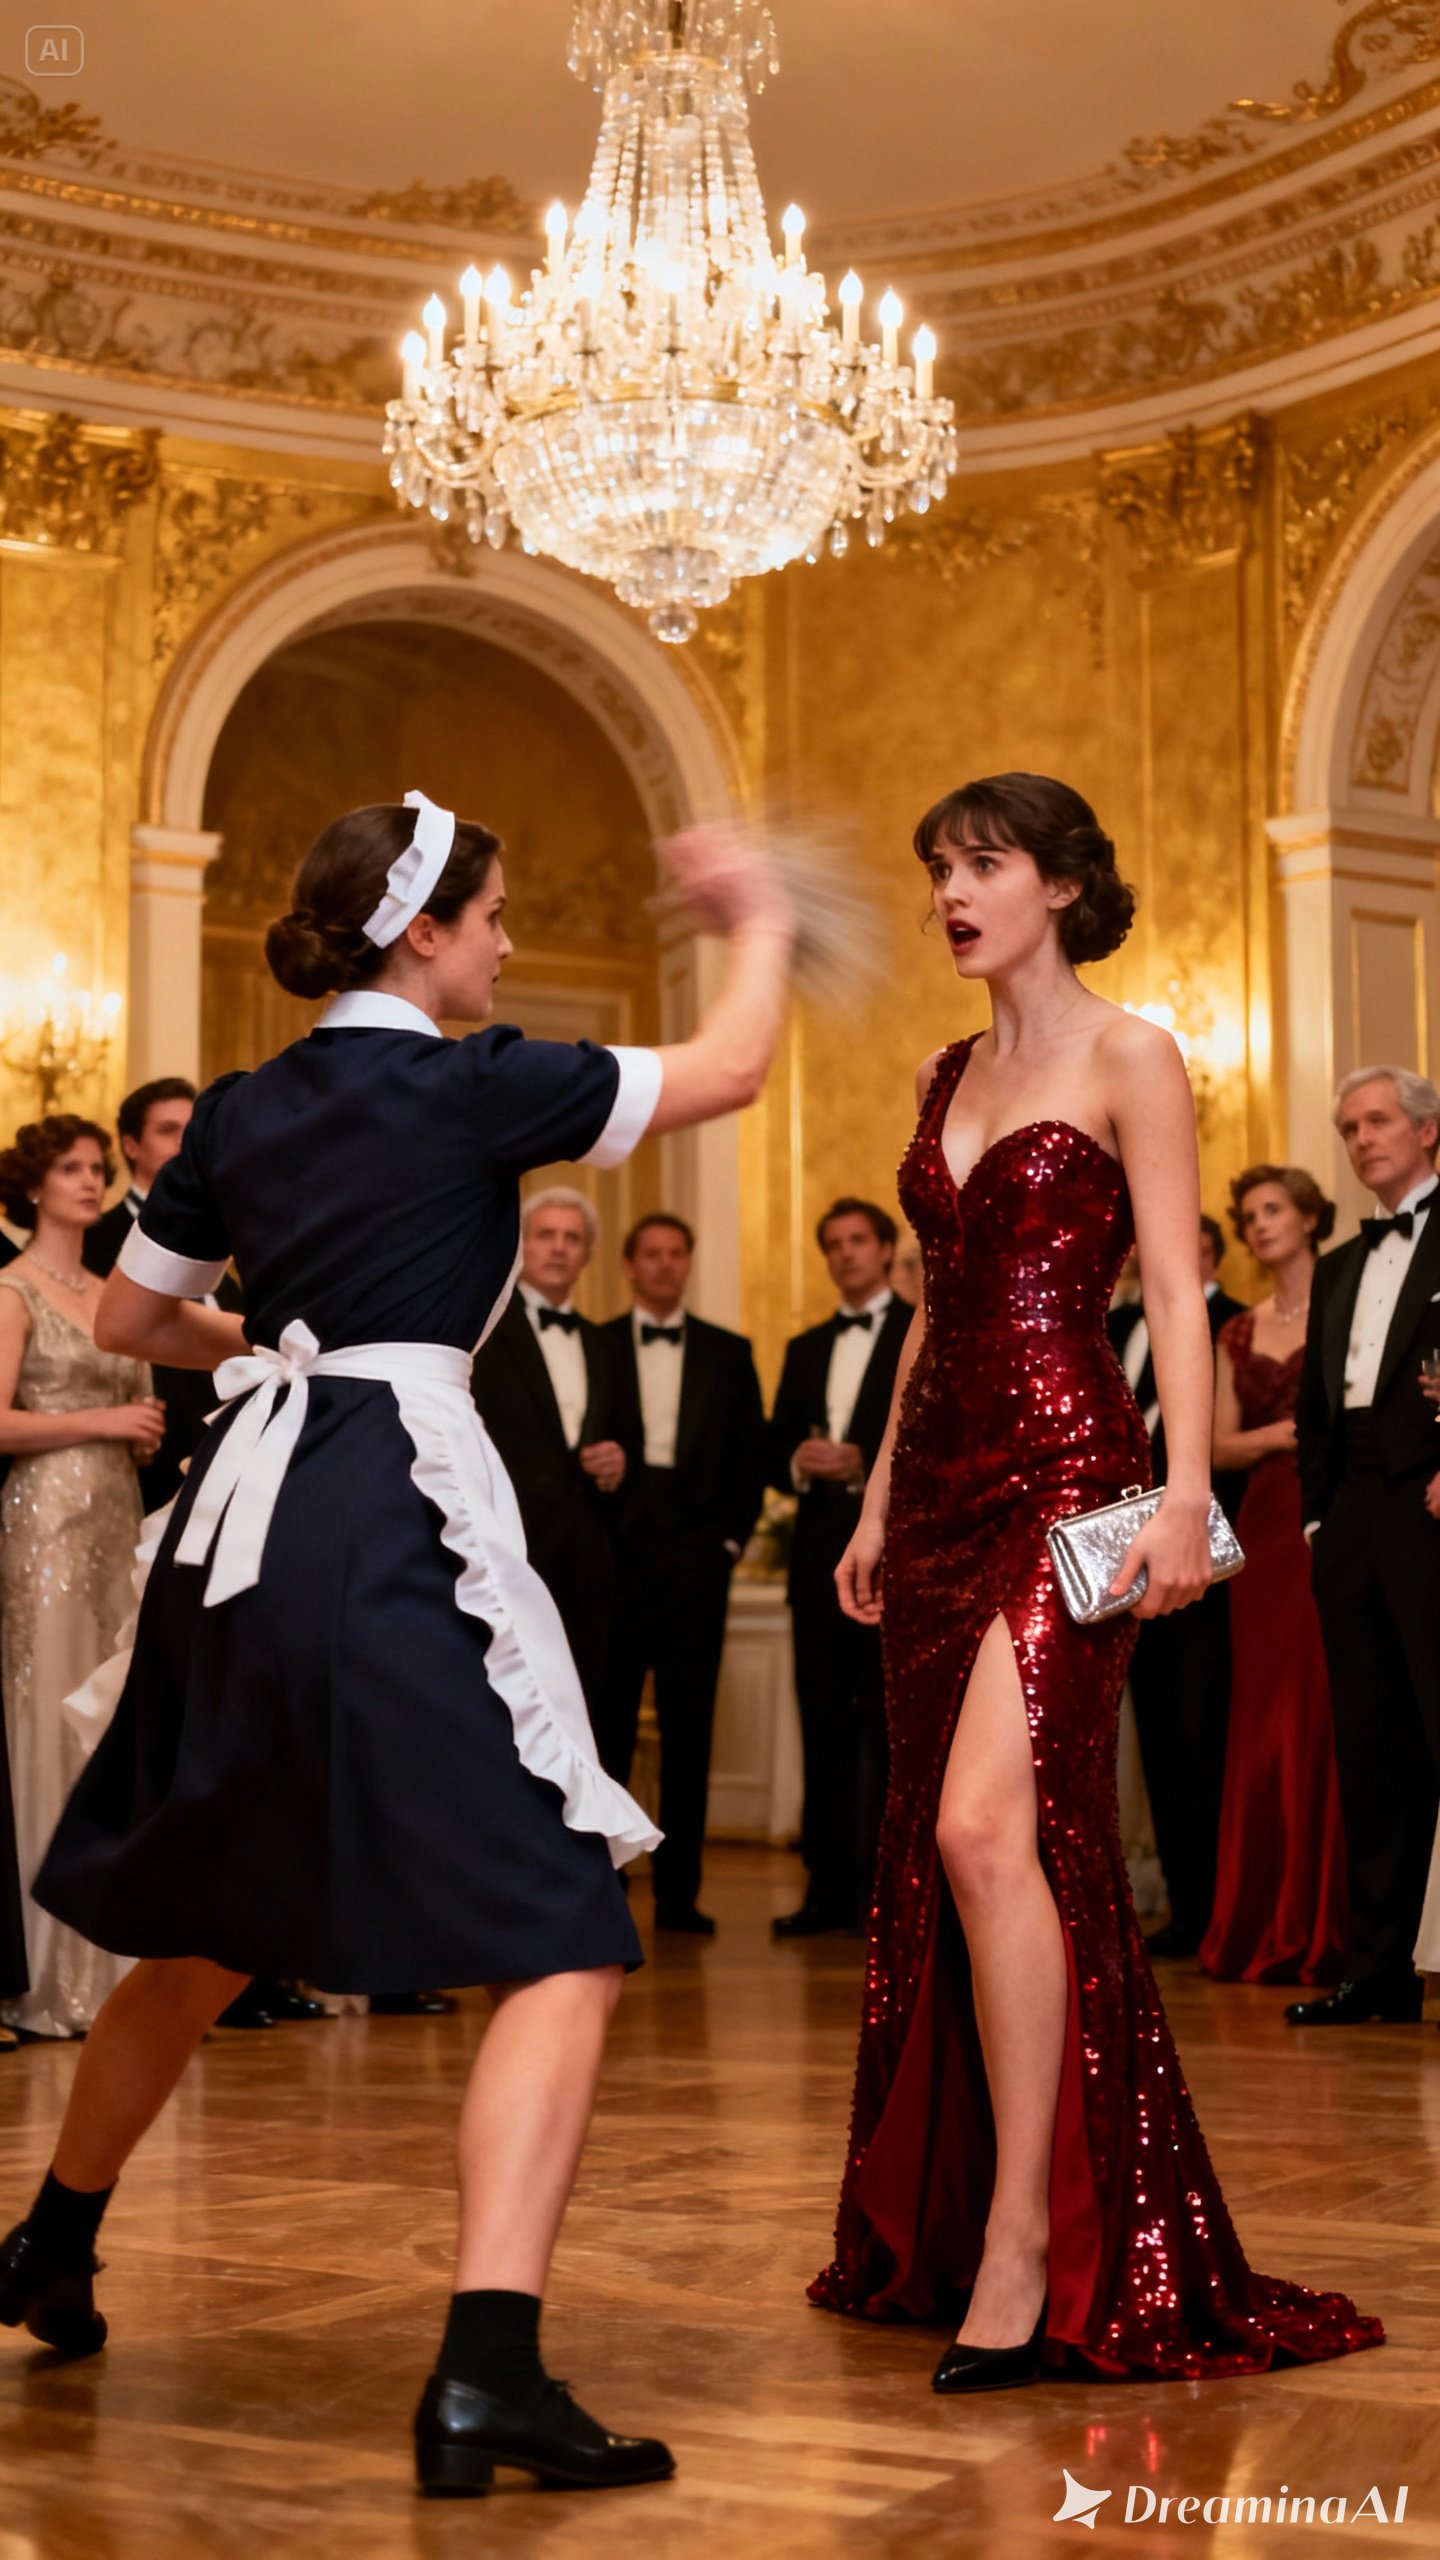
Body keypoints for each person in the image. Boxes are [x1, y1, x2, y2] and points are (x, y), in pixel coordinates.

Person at [0, 792, 794, 2498]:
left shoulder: (241, 1103)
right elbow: (732, 1069)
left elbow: (132, 1317)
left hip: (244, 1526)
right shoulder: (474, 1080)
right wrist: (764, 914)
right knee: (566, 1935)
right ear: (422, 931)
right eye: (493, 917)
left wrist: (284, 1339)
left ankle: (52, 2242)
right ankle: (488, 2373)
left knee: (208, 1929)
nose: (506, 945)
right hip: (382, 1510)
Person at [809, 771, 1381, 2390]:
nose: (950, 892)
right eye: (937, 868)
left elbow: (1183, 1290)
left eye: (981, 863)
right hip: (936, 1491)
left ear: (1059, 884)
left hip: (1077, 1473)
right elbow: (933, 1307)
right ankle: (999, 2215)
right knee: (971, 1858)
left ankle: (1024, 2239)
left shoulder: (1134, 1054)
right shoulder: (940, 1070)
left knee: (983, 1828)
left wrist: (1188, 1497)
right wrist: (877, 1503)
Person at [0, 1116, 165, 2039]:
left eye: (98, 1167)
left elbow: (141, 1408)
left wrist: (140, 1434)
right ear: (33, 1187)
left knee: (109, 1729)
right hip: (45, 1524)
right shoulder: (11, 1289)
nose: (91, 1180)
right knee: (46, 1714)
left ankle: (108, 1976)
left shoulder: (112, 1294)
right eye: (71, 1167)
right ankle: (39, 1977)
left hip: (115, 1515)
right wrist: (105, 1424)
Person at [1289, 1066, 1440, 2028]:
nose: (1361, 1140)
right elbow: (1314, 1409)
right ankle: (1378, 1971)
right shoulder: (1341, 1263)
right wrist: (1317, 1519)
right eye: (1348, 1128)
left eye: (1377, 1121)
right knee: (1372, 1751)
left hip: (1431, 1509)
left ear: (1428, 1131)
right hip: (1349, 1521)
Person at [594, 1215, 766, 1936]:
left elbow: (751, 1459)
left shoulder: (729, 1352)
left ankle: (679, 1895)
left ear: (688, 1264)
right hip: (616, 1559)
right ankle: (601, 1890)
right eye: (652, 1254)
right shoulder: (597, 1344)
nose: (665, 1265)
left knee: (690, 1732)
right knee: (604, 1727)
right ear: (629, 1265)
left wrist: (727, 1546)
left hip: (698, 1562)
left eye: (676, 1254)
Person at [1200, 1167, 1347, 1985]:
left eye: (1273, 1210)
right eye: (1248, 1215)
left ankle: (1327, 1919)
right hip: (1259, 1527)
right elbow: (1218, 1445)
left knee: (1323, 1711)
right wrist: (1284, 1434)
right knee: (1261, 1714)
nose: (1258, 1225)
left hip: (1330, 1514)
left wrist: (1300, 1439)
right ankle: (1261, 1915)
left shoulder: (1347, 1299)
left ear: (1311, 1217)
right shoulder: (1238, 1330)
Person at [766, 1198, 913, 1936]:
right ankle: (825, 1891)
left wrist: (865, 1467)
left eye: (857, 1241)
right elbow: (769, 1452)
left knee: (891, 1730)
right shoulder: (805, 1348)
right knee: (820, 1724)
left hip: (896, 1559)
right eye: (833, 1244)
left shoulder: (920, 1331)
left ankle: (890, 1896)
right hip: (817, 1558)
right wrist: (798, 1461)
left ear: (885, 1249)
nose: (845, 1254)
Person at [1106, 1216, 1244, 1959]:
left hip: (1205, 1553)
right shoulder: (1113, 1323)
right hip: (1119, 1553)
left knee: (1202, 1728)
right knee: (1154, 1730)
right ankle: (1186, 1909)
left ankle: (1219, 1907)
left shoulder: (1234, 1322)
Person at [472, 1187, 628, 1715]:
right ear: (520, 1246)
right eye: (545, 1235)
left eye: (572, 1238)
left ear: (587, 1255)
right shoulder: (483, 1332)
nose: (559, 1248)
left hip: (587, 1553)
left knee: (584, 1699)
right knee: (508, 1699)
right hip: (508, 1544)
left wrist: (617, 1465)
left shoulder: (605, 1345)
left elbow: (621, 1437)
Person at [85, 1078, 245, 1514]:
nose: (184, 1141)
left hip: (224, 1446)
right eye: (167, 1130)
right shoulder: (94, 1241)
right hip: (143, 1453)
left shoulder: (224, 1235)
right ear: (131, 1145)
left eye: (191, 1129)